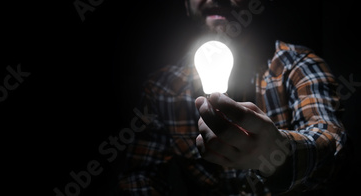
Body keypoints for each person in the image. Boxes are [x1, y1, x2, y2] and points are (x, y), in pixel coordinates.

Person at [115, 0, 349, 195]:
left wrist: (279, 155)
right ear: (186, 5)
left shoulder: (299, 66)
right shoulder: (162, 89)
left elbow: (330, 140)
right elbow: (139, 175)